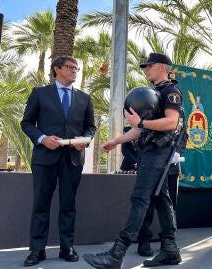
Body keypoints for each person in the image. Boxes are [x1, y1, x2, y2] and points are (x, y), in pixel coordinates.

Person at [83, 53, 183, 268]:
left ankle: (116, 253)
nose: (146, 69)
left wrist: (142, 122)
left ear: (164, 67)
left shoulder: (170, 91)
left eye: (150, 65)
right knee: (161, 199)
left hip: (158, 152)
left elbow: (171, 123)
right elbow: (140, 129)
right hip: (150, 151)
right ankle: (170, 250)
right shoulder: (155, 92)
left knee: (140, 199)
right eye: (145, 66)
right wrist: (116, 141)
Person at [21, 56, 96, 266]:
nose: (75, 71)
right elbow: (26, 123)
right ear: (57, 69)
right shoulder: (39, 94)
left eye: (77, 68)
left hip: (72, 159)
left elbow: (90, 127)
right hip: (44, 158)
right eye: (71, 68)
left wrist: (85, 141)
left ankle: (67, 248)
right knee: (40, 205)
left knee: (68, 205)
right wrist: (43, 139)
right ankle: (37, 250)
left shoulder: (84, 98)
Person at [136, 95, 188, 257]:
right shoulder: (153, 109)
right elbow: (142, 134)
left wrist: (177, 153)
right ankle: (144, 240)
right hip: (153, 162)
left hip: (171, 166)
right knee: (148, 203)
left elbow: (183, 135)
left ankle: (168, 241)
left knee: (170, 205)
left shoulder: (180, 112)